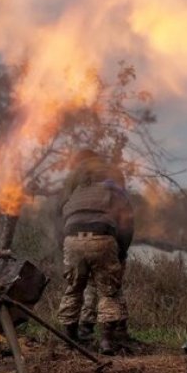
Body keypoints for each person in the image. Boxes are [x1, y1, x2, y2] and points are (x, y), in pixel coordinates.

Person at [57, 149, 134, 355]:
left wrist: (64, 245)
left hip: (71, 237)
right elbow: (126, 221)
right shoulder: (114, 180)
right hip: (103, 236)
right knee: (109, 291)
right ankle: (107, 342)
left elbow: (61, 214)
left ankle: (69, 339)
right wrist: (121, 251)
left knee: (73, 288)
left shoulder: (75, 184)